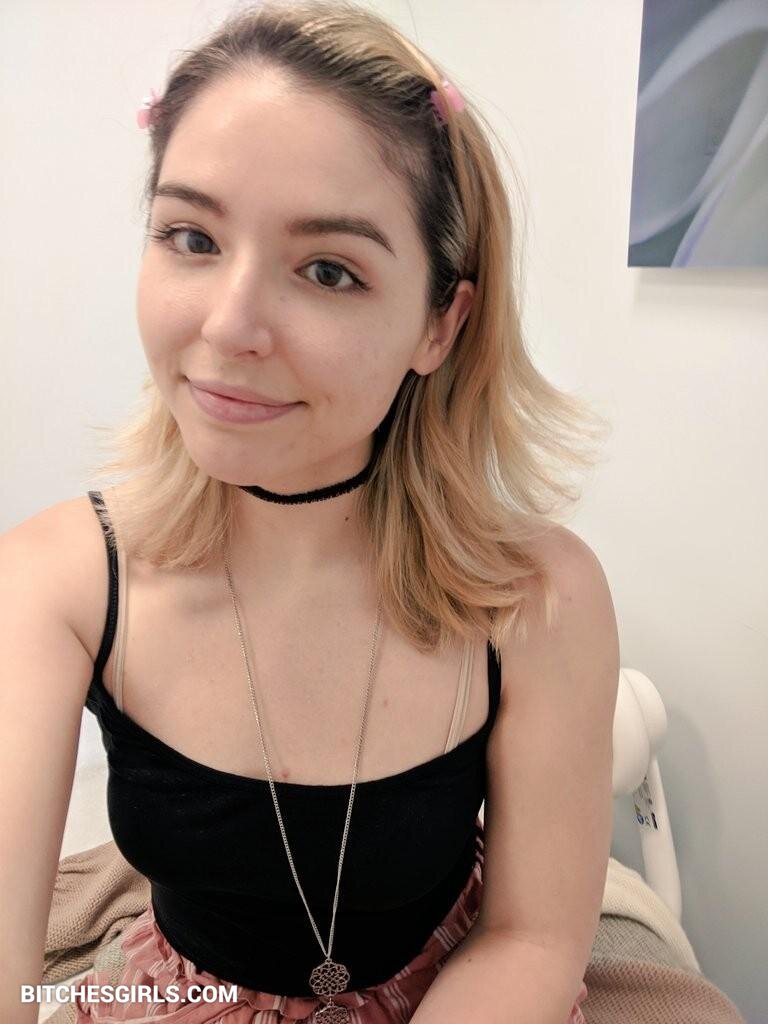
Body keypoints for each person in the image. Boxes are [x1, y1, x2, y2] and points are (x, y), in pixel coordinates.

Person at [0, 2, 619, 1022]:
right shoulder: (57, 582)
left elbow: (535, 935)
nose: (229, 325)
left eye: (328, 270)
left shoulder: (538, 599)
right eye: (192, 237)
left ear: (441, 323)